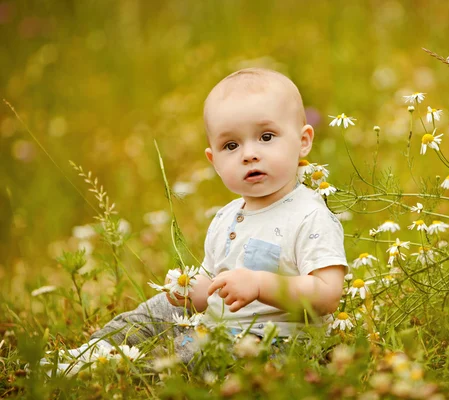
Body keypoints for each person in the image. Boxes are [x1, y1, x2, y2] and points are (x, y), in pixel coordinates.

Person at [51, 68, 347, 370]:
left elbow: (327, 293)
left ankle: (130, 369)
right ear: (214, 160)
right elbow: (216, 286)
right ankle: (92, 352)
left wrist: (260, 285)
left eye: (266, 136)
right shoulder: (227, 216)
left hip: (279, 344)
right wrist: (194, 290)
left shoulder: (309, 214)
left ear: (303, 141)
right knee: (157, 309)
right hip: (219, 328)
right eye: (231, 146)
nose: (249, 154)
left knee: (196, 355)